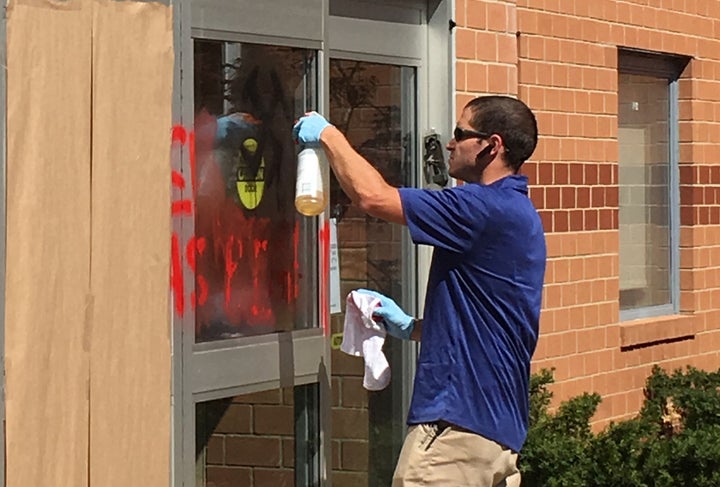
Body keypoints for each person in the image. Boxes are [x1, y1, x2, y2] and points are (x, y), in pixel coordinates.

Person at [293, 95, 546, 487]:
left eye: (461, 134)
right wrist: (411, 326)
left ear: (491, 146)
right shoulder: (518, 214)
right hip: (494, 433)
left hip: (456, 429)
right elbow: (488, 321)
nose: (449, 143)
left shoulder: (482, 208)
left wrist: (326, 134)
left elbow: (373, 197)